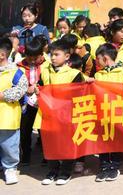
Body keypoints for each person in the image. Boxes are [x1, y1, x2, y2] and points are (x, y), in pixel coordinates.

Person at [40, 40, 84, 185]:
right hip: (47, 115)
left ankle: (65, 172)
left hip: (67, 116)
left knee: (66, 144)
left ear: (67, 57)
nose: (52, 58)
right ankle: (52, 170)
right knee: (50, 143)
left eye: (56, 54)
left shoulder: (75, 74)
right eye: (51, 54)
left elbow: (79, 95)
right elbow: (41, 89)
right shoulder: (45, 71)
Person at [92, 43, 123, 182]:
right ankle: (104, 166)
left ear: (105, 58)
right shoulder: (98, 75)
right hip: (102, 112)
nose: (97, 62)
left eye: (98, 59)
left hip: (119, 111)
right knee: (102, 140)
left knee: (116, 140)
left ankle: (114, 166)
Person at [0, 37, 27, 185]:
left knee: (9, 145)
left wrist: (3, 95)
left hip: (7, 117)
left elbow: (21, 90)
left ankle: (10, 168)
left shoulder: (16, 72)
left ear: (2, 55)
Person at [17, 38, 46, 166]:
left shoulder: (47, 65)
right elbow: (15, 84)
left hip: (43, 102)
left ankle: (47, 155)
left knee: (44, 130)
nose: (33, 61)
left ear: (42, 54)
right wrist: (26, 90)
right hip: (25, 103)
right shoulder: (19, 66)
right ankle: (26, 155)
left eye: (36, 58)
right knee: (25, 129)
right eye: (30, 58)